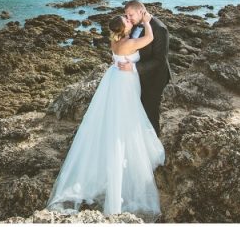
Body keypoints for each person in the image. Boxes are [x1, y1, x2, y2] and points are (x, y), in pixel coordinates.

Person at [46, 11, 165, 216]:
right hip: (125, 84)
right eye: (127, 21)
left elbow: (125, 53)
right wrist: (146, 22)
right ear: (124, 28)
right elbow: (150, 38)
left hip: (117, 79)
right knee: (126, 120)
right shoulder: (127, 43)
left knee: (119, 118)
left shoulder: (117, 41)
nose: (129, 21)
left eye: (129, 18)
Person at [118, 0, 171, 136]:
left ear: (141, 12)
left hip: (154, 79)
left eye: (130, 15)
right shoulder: (134, 26)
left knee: (150, 113)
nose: (128, 19)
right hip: (136, 77)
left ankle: (155, 146)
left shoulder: (159, 29)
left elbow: (160, 60)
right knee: (137, 112)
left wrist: (134, 67)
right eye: (126, 16)